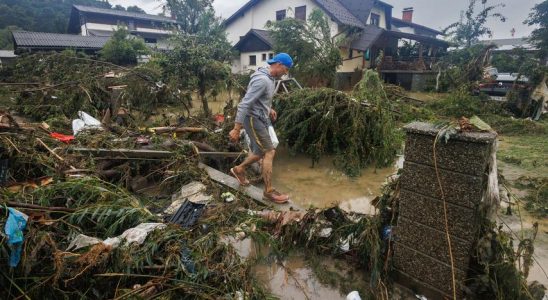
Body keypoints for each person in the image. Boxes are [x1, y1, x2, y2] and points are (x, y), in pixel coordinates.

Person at [229, 53, 293, 204]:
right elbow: (244, 104)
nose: (286, 73)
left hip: (260, 117)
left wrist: (268, 108)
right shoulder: (262, 80)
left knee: (258, 152)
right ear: (278, 64)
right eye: (285, 69)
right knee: (269, 151)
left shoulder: (270, 79)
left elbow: (261, 98)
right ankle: (269, 192)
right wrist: (236, 128)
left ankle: (238, 170)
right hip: (253, 119)